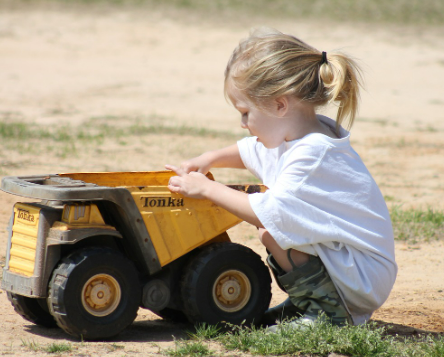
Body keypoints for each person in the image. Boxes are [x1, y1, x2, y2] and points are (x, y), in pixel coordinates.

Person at [165, 28, 397, 330]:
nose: (243, 123)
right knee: (273, 232)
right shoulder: (301, 134)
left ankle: (328, 315)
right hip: (355, 268)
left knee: (271, 230)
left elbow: (267, 211)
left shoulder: (312, 156)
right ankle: (308, 302)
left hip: (361, 277)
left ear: (279, 104)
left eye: (246, 112)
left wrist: (208, 188)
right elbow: (250, 151)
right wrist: (207, 159)